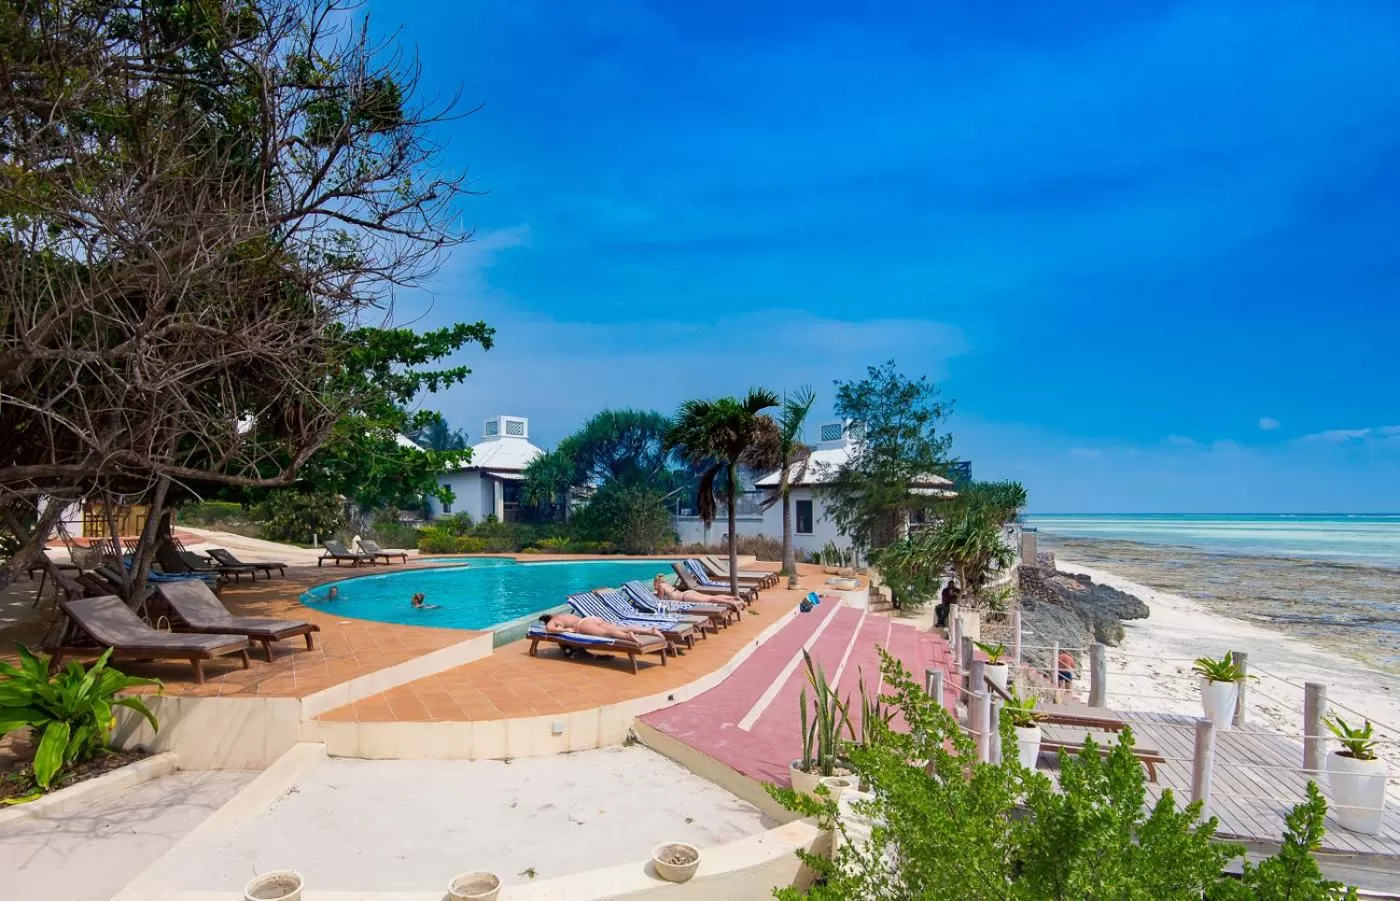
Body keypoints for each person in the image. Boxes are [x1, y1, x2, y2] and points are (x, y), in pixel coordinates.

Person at [539, 612, 664, 641]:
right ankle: (649, 630)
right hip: (591, 618)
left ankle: (628, 637)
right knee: (620, 627)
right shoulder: (562, 615)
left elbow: (549, 629)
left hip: (582, 625)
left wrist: (566, 629)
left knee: (606, 633)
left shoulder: (553, 620)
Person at [652, 574, 743, 613]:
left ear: (656, 583)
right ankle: (734, 598)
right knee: (711, 597)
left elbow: (659, 601)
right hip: (688, 593)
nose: (654, 586)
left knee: (710, 600)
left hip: (685, 597)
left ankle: (731, 602)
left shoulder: (661, 586)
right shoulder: (666, 584)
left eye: (654, 584)